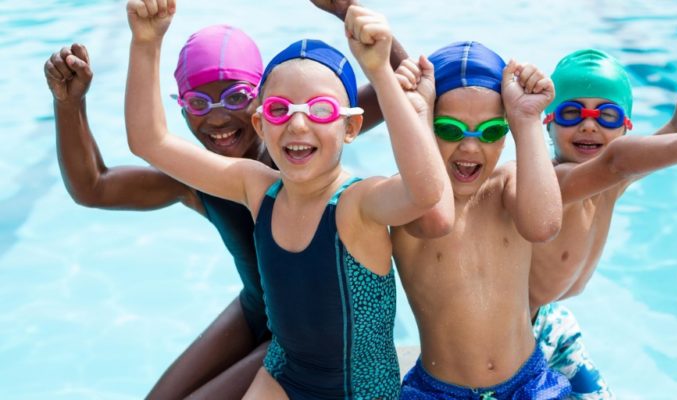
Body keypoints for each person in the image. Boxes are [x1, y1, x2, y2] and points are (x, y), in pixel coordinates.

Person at [44, 1, 407, 398]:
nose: (217, 119)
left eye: (235, 97)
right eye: (199, 104)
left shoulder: (298, 148)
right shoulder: (199, 177)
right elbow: (94, 187)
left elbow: (404, 89)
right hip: (257, 311)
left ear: (262, 103)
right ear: (180, 109)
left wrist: (348, 13)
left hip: (309, 336)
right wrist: (69, 105)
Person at [125, 1, 449, 399]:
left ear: (351, 127)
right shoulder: (258, 188)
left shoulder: (357, 204)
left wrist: (381, 73)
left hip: (357, 391)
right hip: (282, 374)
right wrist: (146, 42)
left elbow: (425, 191)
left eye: (320, 110)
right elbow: (149, 140)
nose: (298, 123)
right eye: (280, 110)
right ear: (261, 122)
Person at [527, 0, 677, 397]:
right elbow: (622, 161)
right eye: (571, 113)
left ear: (626, 126)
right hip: (512, 336)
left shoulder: (608, 182)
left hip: (551, 319)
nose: (588, 123)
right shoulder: (552, 183)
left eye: (606, 115)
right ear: (547, 123)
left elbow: (674, 127)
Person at [390, 41, 570, 399]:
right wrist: (418, 119)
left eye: (490, 132)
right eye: (449, 129)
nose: (471, 148)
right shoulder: (406, 199)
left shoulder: (507, 186)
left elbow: (544, 225)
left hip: (528, 384)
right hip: (439, 391)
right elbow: (436, 219)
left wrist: (527, 120)